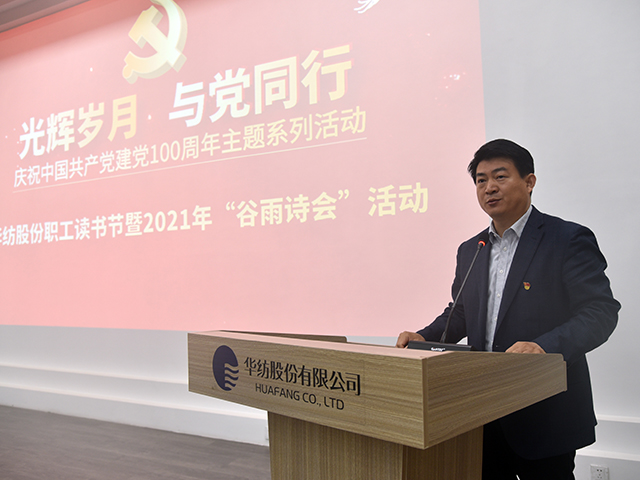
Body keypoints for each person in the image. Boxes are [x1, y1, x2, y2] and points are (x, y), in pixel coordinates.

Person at [396, 139, 620, 480]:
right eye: (481, 180)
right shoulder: (471, 249)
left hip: (545, 412)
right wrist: (424, 337)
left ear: (529, 182)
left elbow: (600, 312)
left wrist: (544, 347)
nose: (489, 188)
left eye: (500, 177)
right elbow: (461, 313)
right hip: (482, 411)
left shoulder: (567, 239)